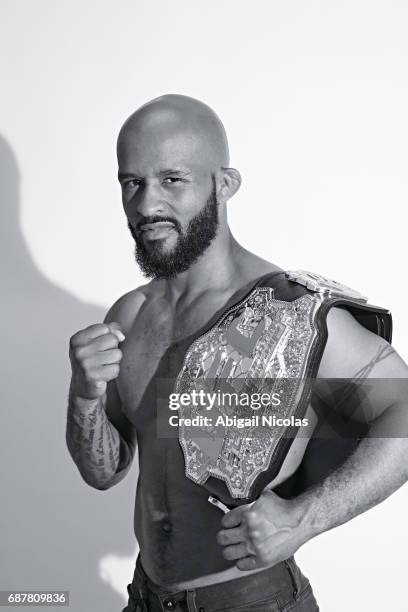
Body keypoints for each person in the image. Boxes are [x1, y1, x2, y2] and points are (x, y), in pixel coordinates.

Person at [66, 94, 408, 612]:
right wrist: (85, 395)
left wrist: (304, 519)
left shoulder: (293, 313)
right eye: (132, 182)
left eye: (172, 180)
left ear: (224, 185)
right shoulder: (129, 316)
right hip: (144, 598)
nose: (146, 204)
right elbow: (104, 472)